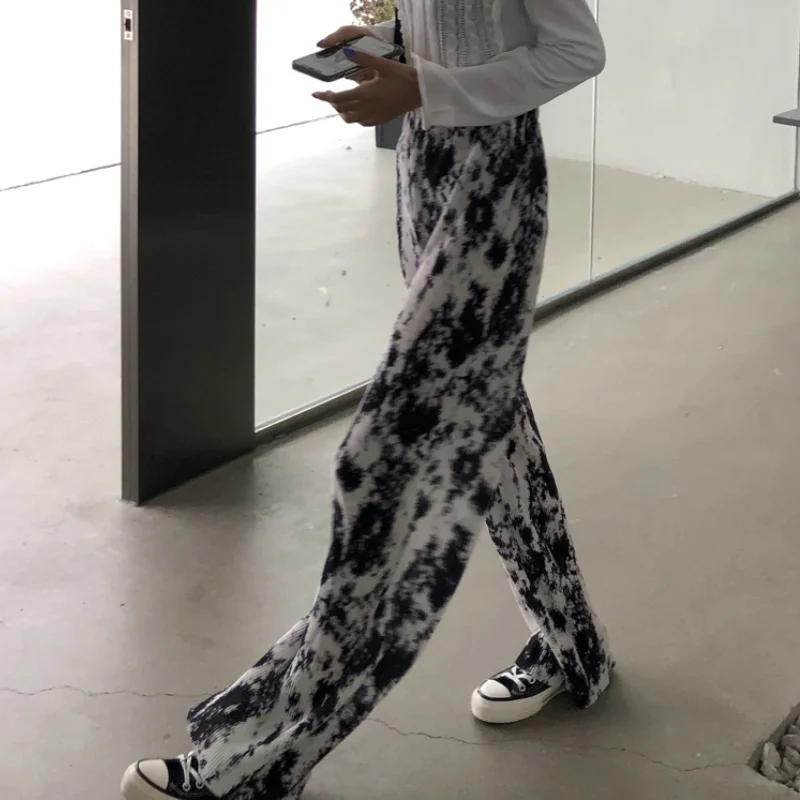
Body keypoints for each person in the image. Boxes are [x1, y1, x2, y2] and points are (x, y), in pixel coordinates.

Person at [121, 1, 613, 798]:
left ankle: (260, 759)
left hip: (490, 198)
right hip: (426, 173)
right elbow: (461, 32)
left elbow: (577, 51)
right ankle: (573, 647)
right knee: (494, 430)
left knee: (384, 464)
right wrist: (385, 47)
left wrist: (427, 87)